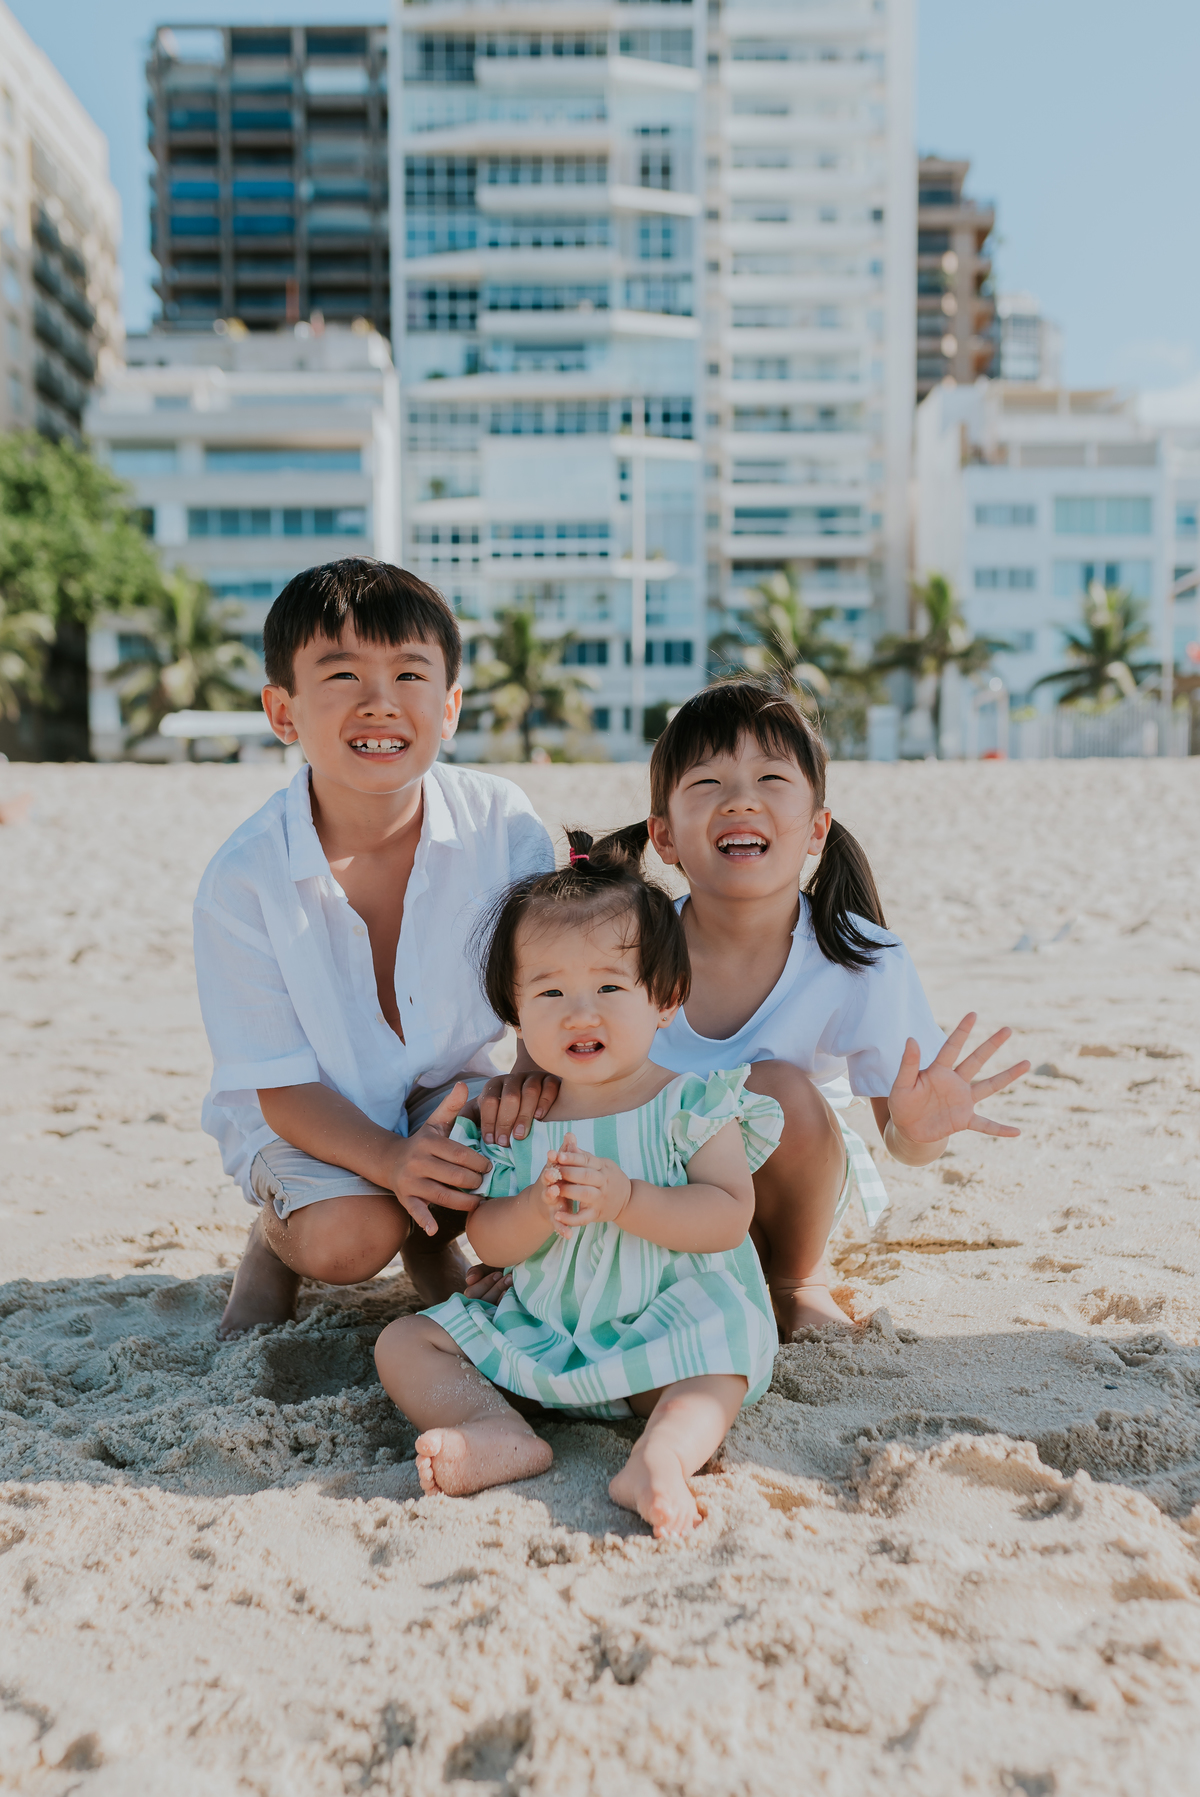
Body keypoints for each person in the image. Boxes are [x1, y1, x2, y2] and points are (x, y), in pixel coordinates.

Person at [374, 828, 784, 1538]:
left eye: (608, 986)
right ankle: (493, 1428)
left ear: (666, 996)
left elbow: (725, 1213)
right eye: (551, 989)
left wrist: (627, 1199)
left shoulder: (692, 1102)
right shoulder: (513, 1120)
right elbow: (491, 1244)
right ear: (514, 1009)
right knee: (404, 1343)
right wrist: (535, 1207)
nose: (579, 1011)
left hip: (661, 1338)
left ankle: (660, 1456)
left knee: (726, 1353)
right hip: (542, 1333)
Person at [193, 558, 558, 1341]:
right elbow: (280, 1087)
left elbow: (552, 981)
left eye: (410, 673)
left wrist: (525, 1074)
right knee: (350, 1239)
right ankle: (275, 1238)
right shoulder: (244, 877)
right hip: (307, 1116)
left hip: (446, 1089)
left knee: (538, 1143)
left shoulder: (502, 823)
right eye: (342, 674)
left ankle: (431, 1241)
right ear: (282, 711)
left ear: (451, 705)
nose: (380, 701)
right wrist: (392, 1162)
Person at [639, 678, 1030, 1339]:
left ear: (817, 828)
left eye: (770, 778)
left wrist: (919, 1126)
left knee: (776, 1088)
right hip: (653, 1200)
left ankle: (796, 1279)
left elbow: (903, 1143)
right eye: (707, 783)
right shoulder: (627, 946)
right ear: (664, 835)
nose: (740, 799)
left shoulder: (856, 956)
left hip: (781, 1196)